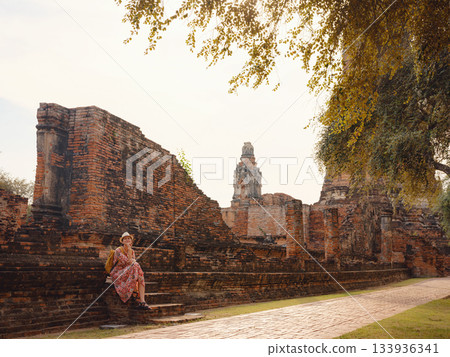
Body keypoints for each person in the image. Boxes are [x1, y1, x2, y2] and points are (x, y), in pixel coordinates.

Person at [110, 232, 152, 310]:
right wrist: (129, 250)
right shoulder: (118, 250)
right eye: (125, 239)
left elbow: (132, 263)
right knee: (136, 266)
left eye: (128, 238)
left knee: (140, 276)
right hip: (118, 272)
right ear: (122, 241)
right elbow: (128, 262)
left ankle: (142, 301)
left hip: (129, 271)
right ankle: (139, 299)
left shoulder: (132, 251)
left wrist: (130, 252)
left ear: (131, 241)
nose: (127, 240)